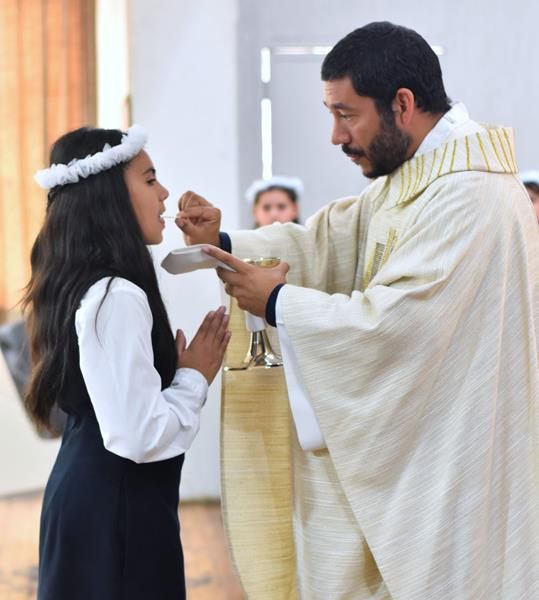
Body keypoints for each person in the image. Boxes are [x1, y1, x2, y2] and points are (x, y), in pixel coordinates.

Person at [175, 21, 539, 600]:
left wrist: (277, 302)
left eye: (346, 115)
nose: (335, 136)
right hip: (424, 451)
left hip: (448, 463)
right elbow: (328, 242)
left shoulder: (470, 196)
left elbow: (398, 328)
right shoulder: (417, 176)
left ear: (402, 104)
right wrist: (222, 243)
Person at [23, 125, 230, 600]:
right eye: (150, 179)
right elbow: (138, 436)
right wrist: (193, 378)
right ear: (109, 195)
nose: (165, 193)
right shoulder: (115, 295)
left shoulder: (90, 283)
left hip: (94, 500)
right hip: (114, 512)